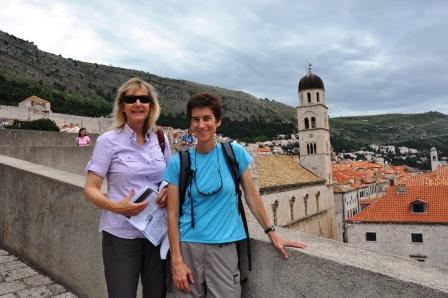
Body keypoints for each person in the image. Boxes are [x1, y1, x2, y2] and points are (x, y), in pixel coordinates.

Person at [164, 93, 306, 297]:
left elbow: (251, 197)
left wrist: (272, 233)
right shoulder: (178, 162)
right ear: (190, 124)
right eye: (196, 119)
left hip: (224, 248)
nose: (201, 125)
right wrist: (176, 260)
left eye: (207, 118)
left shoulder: (234, 153)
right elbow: (172, 213)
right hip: (188, 249)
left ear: (218, 121)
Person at [84, 77, 171, 298]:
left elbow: (172, 177)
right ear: (122, 106)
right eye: (131, 99)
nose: (138, 103)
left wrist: (168, 190)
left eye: (144, 98)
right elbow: (91, 189)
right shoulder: (108, 141)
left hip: (155, 234)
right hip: (121, 233)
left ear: (151, 105)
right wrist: (117, 207)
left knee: (156, 294)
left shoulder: (161, 139)